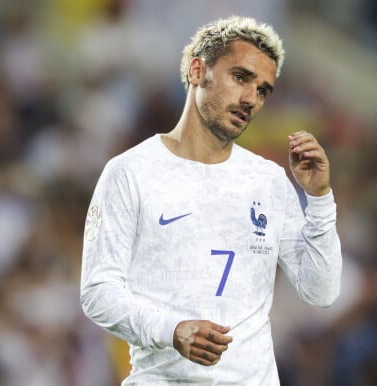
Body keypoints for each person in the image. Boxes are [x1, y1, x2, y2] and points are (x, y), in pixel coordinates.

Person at [80, 15, 342, 385]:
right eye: (240, 77)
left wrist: (318, 200)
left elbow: (321, 291)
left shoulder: (267, 180)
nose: (251, 98)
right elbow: (97, 292)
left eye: (263, 90)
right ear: (198, 70)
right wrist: (173, 330)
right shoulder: (131, 172)